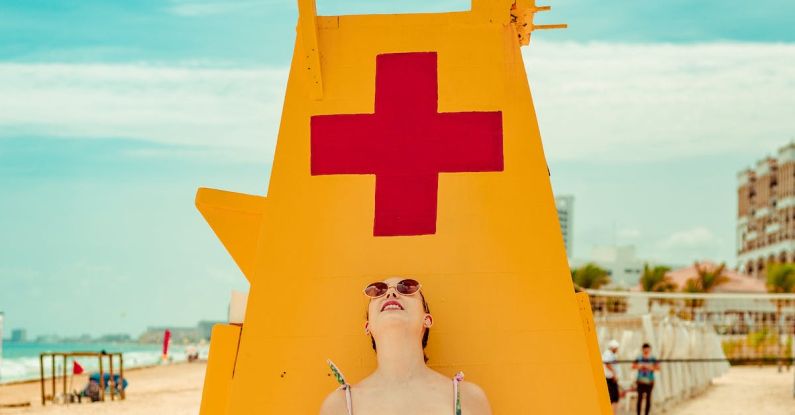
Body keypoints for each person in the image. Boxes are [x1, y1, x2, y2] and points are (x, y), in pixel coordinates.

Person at [320, 277, 492, 415]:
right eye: (378, 290)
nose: (391, 293)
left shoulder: (468, 397)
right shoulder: (339, 405)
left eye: (407, 287)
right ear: (367, 326)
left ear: (427, 319)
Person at [632, 343, 659, 415]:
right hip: (640, 381)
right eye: (645, 349)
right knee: (639, 399)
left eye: (648, 349)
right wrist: (640, 366)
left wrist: (650, 367)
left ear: (650, 349)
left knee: (648, 399)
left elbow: (658, 367)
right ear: (642, 349)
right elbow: (633, 366)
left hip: (649, 381)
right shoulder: (639, 358)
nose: (646, 350)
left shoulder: (653, 358)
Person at [602, 339, 621, 413]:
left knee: (615, 398)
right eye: (616, 348)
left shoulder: (612, 354)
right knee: (611, 398)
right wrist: (614, 373)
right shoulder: (607, 354)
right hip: (609, 379)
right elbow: (607, 364)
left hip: (613, 378)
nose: (617, 350)